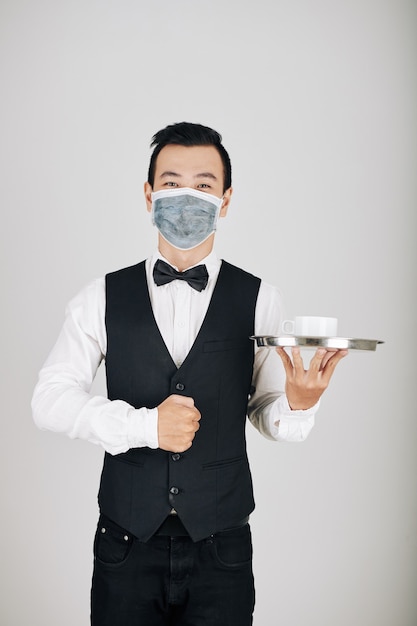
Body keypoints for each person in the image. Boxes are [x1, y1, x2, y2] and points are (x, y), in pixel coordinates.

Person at [32, 122, 347, 625]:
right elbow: (48, 400)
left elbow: (268, 415)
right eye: (172, 182)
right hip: (125, 545)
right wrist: (144, 427)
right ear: (148, 193)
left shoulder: (260, 297)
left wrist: (299, 403)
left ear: (225, 199)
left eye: (203, 185)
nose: (187, 196)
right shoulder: (101, 296)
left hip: (221, 547)